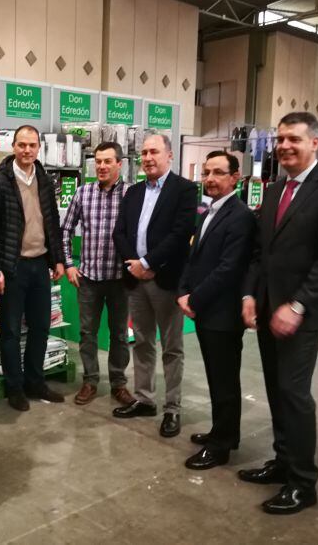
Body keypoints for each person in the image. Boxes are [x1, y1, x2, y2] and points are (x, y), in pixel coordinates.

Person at [241, 112, 318, 515]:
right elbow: (262, 253)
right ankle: (283, 460)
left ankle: (303, 483)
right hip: (270, 308)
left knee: (294, 393)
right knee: (276, 389)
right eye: (281, 139)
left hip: (302, 314)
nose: (285, 146)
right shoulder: (274, 191)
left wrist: (298, 304)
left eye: (294, 139)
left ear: (314, 144)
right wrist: (251, 296)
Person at [112, 131, 197, 437]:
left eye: (154, 152)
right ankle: (144, 399)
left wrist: (148, 264)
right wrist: (134, 265)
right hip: (135, 280)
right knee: (143, 342)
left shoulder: (185, 190)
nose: (148, 158)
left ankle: (172, 408)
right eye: (144, 153)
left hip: (166, 280)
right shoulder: (133, 192)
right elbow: (119, 232)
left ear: (169, 155)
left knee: (172, 348)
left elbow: (180, 233)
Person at [0, 125, 66, 411]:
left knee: (41, 327)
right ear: (13, 147)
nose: (27, 150)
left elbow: (52, 222)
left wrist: (58, 259)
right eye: (21, 145)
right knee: (11, 331)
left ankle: (35, 382)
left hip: (40, 265)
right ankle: (14, 387)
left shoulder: (44, 179)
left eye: (32, 145)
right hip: (12, 268)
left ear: (39, 148)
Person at [178, 151, 255, 470]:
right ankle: (223, 431)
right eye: (207, 172)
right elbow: (193, 255)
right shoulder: (206, 210)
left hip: (222, 314)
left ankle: (221, 446)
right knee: (215, 377)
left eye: (218, 173)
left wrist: (194, 300)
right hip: (206, 311)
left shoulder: (241, 216)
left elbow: (228, 269)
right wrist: (182, 290)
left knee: (224, 381)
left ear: (235, 177)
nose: (210, 178)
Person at [61, 142, 133, 406]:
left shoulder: (131, 194)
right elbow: (65, 229)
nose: (101, 166)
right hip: (89, 278)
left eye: (107, 161)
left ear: (119, 164)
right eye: (98, 161)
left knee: (119, 335)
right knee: (87, 333)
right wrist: (68, 264)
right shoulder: (83, 193)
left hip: (120, 280)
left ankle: (118, 383)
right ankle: (90, 381)